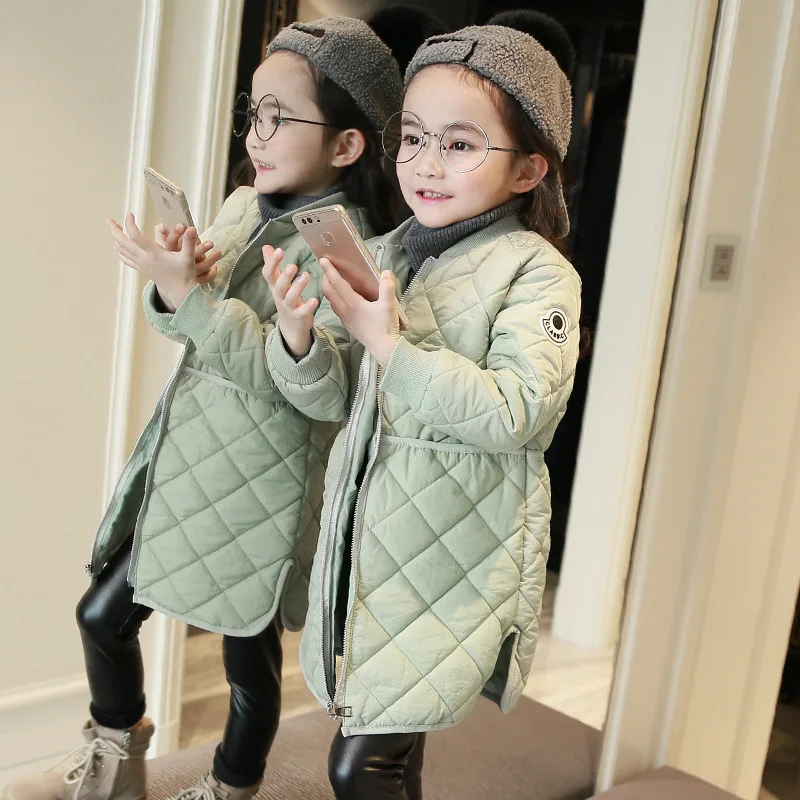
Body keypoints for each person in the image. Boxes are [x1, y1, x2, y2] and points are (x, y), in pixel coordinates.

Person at [4, 16, 408, 800]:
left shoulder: (353, 251)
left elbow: (323, 392)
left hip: (263, 488)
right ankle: (115, 761)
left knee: (247, 665)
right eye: (253, 113)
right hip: (185, 466)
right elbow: (187, 326)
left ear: (347, 145)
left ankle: (231, 786)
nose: (257, 135)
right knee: (101, 614)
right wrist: (173, 281)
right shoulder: (243, 204)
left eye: (279, 117)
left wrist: (226, 312)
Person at [263, 10, 582, 799]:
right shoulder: (387, 252)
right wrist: (299, 337)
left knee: (361, 762)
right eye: (412, 137)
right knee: (390, 743)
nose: (426, 164)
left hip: (452, 558)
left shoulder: (538, 275)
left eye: (461, 144)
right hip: (371, 542)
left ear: (529, 170)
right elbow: (336, 397)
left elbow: (518, 414)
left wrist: (393, 347)